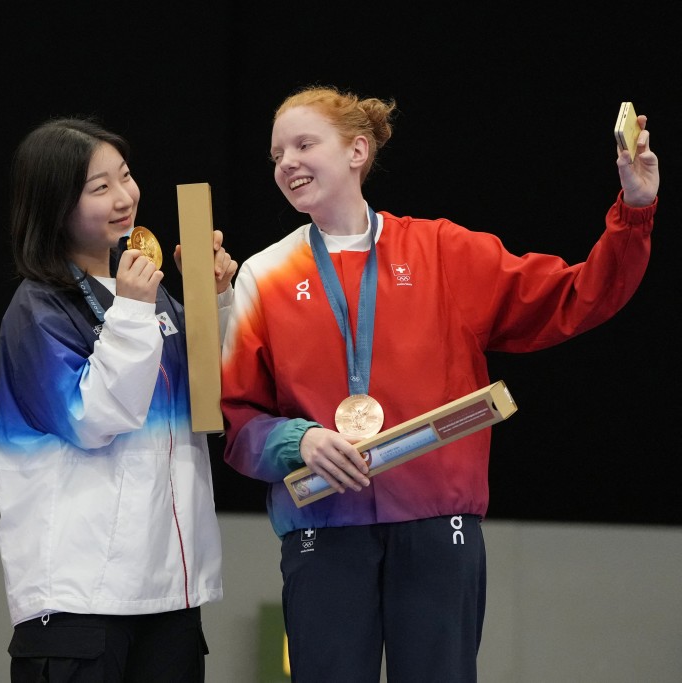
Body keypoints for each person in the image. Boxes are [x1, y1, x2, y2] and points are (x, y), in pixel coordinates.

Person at [220, 85, 658, 682]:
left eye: (303, 144)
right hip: (323, 526)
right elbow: (239, 422)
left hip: (436, 527)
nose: (286, 163)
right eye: (276, 155)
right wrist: (300, 442)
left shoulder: (442, 251)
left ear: (356, 151)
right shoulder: (264, 275)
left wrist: (634, 211)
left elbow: (573, 296)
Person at [0, 116, 237, 682]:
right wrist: (131, 310)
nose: (125, 198)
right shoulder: (38, 310)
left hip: (170, 588)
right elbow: (94, 418)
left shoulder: (152, 299)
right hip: (80, 597)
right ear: (56, 204)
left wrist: (212, 303)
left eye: (125, 177)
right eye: (100, 188)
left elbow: (207, 404)